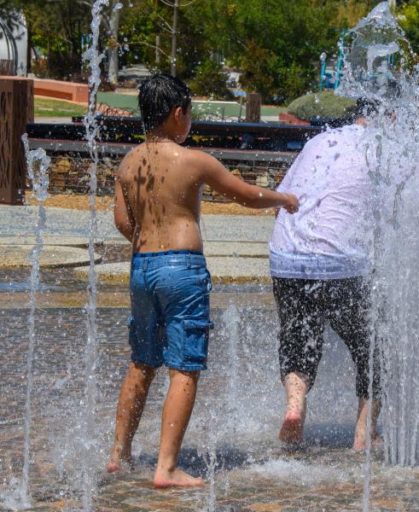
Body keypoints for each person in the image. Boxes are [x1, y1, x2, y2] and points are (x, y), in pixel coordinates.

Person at [106, 73, 299, 488]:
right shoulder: (192, 160)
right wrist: (283, 198)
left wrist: (151, 242)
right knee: (184, 368)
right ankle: (167, 467)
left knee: (142, 362)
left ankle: (119, 455)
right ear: (178, 114)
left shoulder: (128, 163)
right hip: (183, 269)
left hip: (142, 268)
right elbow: (246, 195)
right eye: (189, 113)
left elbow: (124, 222)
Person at [269, 98, 381, 451]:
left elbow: (281, 200)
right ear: (388, 116)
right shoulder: (386, 146)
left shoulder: (319, 141)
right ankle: (364, 435)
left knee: (299, 337)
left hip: (287, 256)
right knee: (377, 346)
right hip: (340, 263)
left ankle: (295, 404)